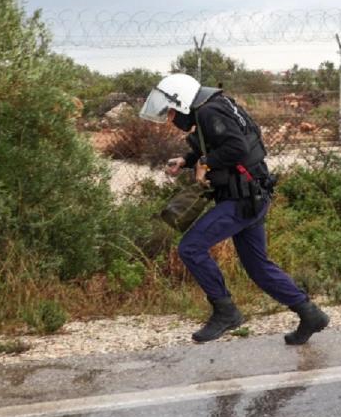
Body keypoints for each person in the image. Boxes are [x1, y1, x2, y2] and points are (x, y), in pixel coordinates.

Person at [140, 73, 329, 343]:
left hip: (241, 199)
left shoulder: (208, 113)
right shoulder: (215, 106)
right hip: (252, 196)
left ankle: (225, 311)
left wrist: (205, 162)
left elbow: (237, 149)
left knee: (190, 248)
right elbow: (221, 143)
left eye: (170, 112)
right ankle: (311, 315)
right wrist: (186, 160)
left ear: (181, 102)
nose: (170, 119)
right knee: (258, 266)